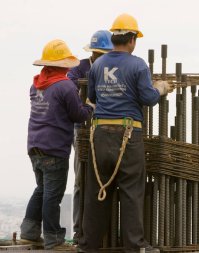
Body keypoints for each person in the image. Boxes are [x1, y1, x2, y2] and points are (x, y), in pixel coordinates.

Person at [78, 13, 174, 253]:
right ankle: (135, 246)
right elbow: (148, 98)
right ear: (132, 40)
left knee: (97, 190)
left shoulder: (98, 65)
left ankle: (88, 245)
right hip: (127, 136)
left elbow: (92, 98)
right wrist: (160, 88)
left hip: (99, 135)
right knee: (132, 191)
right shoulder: (138, 64)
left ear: (113, 39)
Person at [20, 39, 93, 250]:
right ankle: (54, 239)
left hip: (35, 146)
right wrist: (89, 107)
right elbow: (78, 115)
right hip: (54, 149)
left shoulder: (35, 84)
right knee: (53, 195)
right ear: (63, 64)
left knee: (42, 190)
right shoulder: (65, 86)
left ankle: (29, 232)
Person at [67, 30, 113, 245]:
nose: (100, 56)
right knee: (80, 180)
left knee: (106, 178)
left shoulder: (115, 67)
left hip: (107, 128)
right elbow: (71, 87)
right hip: (83, 129)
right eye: (97, 52)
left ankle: (107, 232)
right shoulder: (79, 68)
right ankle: (79, 231)